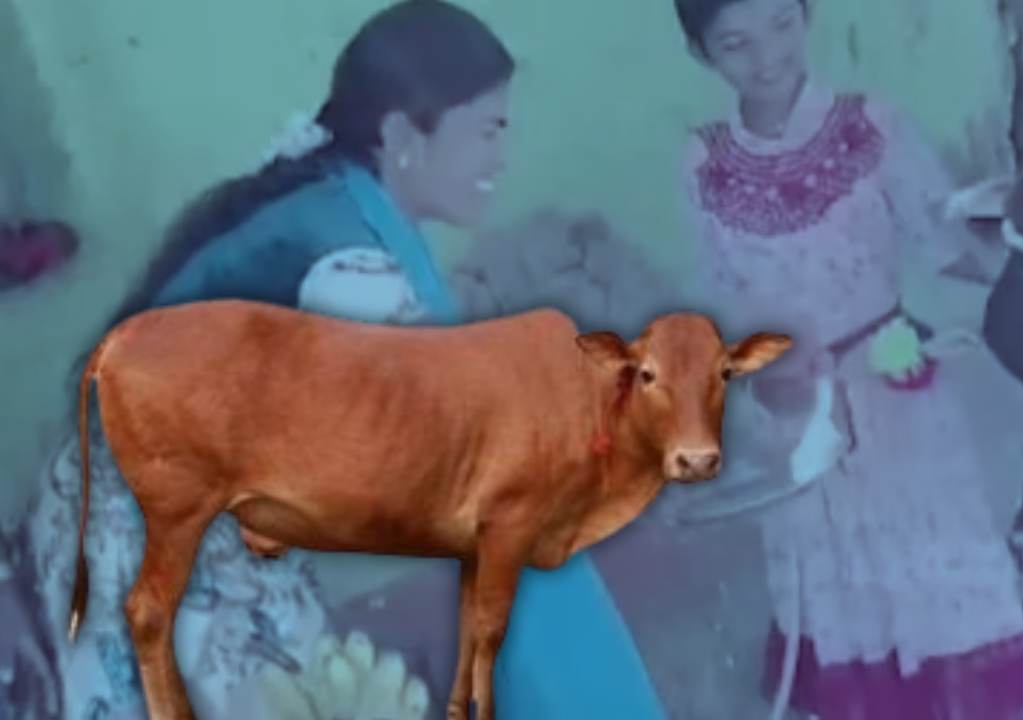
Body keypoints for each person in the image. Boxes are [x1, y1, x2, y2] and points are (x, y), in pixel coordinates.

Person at [25, 2, 667, 718]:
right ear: (402, 137)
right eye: (486, 131)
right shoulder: (348, 265)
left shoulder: (324, 192)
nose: (500, 158)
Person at [673, 0, 1023, 717]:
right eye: (736, 43)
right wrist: (767, 377)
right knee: (838, 596)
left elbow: (954, 250)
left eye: (782, 26)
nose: (766, 58)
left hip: (898, 394)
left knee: (944, 581)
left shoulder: (873, 126)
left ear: (807, 16)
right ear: (703, 54)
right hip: (796, 423)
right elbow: (719, 302)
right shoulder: (703, 164)